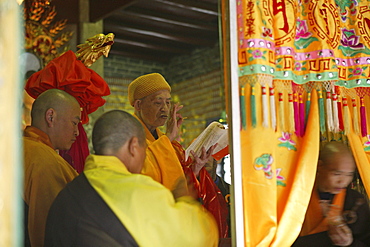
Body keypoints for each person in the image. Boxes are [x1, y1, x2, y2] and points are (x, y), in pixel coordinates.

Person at [44, 110, 219, 247]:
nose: (144, 158)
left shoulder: (65, 195)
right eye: (145, 150)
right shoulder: (139, 193)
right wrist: (186, 202)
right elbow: (199, 237)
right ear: (133, 146)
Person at [128, 73, 229, 237]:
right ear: (138, 105)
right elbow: (146, 177)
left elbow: (177, 182)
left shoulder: (163, 140)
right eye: (158, 102)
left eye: (168, 102)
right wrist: (169, 138)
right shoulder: (130, 136)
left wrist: (195, 169)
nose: (165, 109)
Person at [23, 89, 80, 247]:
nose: (76, 132)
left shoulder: (17, 147)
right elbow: (50, 231)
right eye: (74, 123)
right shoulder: (44, 161)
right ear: (50, 117)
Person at [292, 141, 370, 246]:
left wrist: (350, 243)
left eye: (349, 175)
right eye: (337, 174)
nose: (343, 181)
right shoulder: (297, 195)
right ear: (320, 166)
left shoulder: (355, 200)